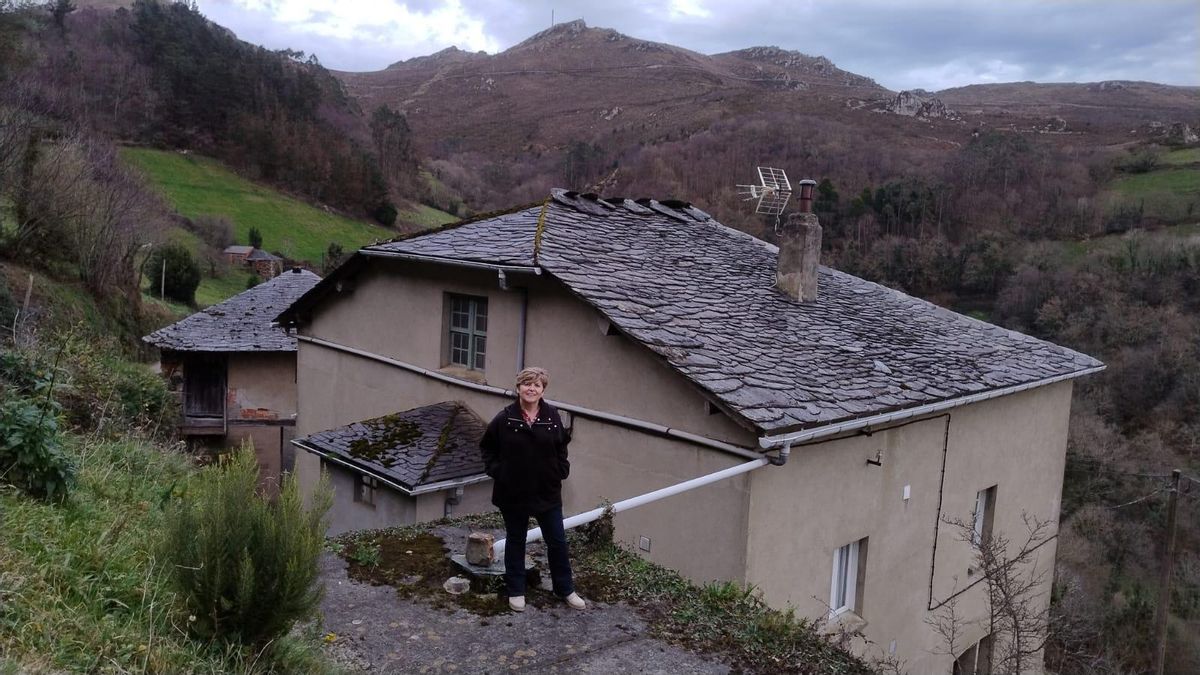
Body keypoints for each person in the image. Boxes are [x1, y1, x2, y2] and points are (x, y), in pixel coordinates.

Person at [480, 367, 586, 612]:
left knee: (557, 541)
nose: (531, 389)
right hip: (513, 492)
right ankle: (516, 590)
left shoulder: (551, 417)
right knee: (516, 541)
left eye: (537, 385)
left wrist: (560, 469)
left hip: (546, 491)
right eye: (527, 384)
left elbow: (561, 446)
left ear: (543, 390)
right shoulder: (505, 419)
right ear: (518, 388)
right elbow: (487, 448)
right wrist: (499, 472)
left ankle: (565, 589)